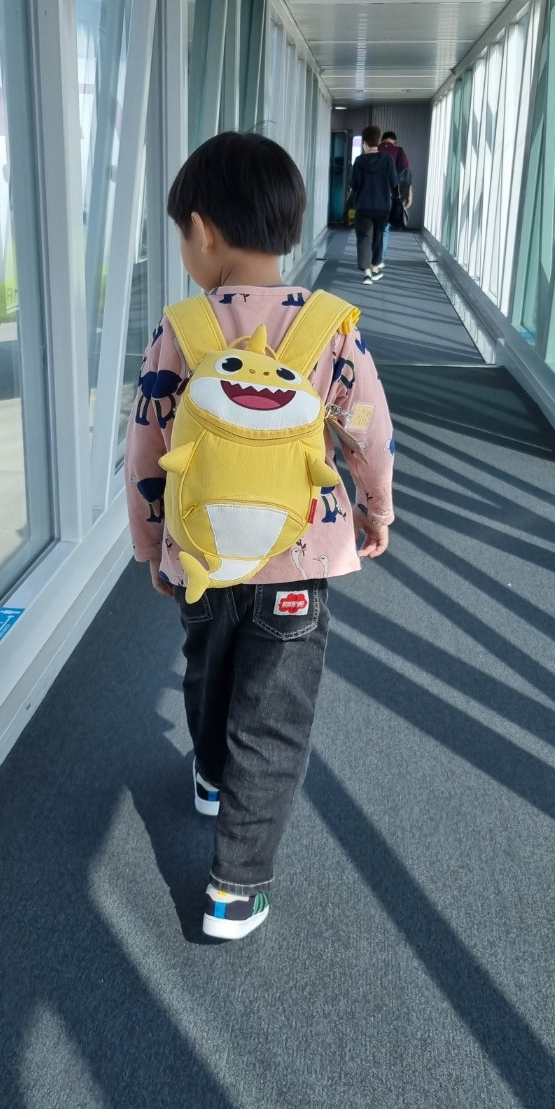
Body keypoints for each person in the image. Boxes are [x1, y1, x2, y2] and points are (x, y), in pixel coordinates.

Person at [124, 131, 395, 941]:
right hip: (297, 562)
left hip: (204, 557)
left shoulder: (181, 328)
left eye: (182, 235)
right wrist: (375, 510)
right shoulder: (331, 326)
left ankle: (210, 774)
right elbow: (368, 432)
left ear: (203, 231)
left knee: (207, 670)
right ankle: (236, 890)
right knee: (274, 718)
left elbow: (147, 449)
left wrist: (152, 546)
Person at [347, 124, 398, 285]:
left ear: (365, 143)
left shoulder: (359, 161)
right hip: (383, 207)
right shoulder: (387, 160)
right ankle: (375, 267)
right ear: (378, 141)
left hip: (363, 206)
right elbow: (394, 182)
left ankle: (367, 274)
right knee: (378, 238)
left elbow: (353, 184)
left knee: (364, 238)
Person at [378, 131, 413, 265]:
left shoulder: (374, 150)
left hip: (373, 194)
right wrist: (409, 194)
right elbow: (405, 175)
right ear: (395, 141)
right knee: (385, 228)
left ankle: (372, 257)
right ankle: (380, 260)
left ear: (381, 140)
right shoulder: (399, 151)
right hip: (391, 196)